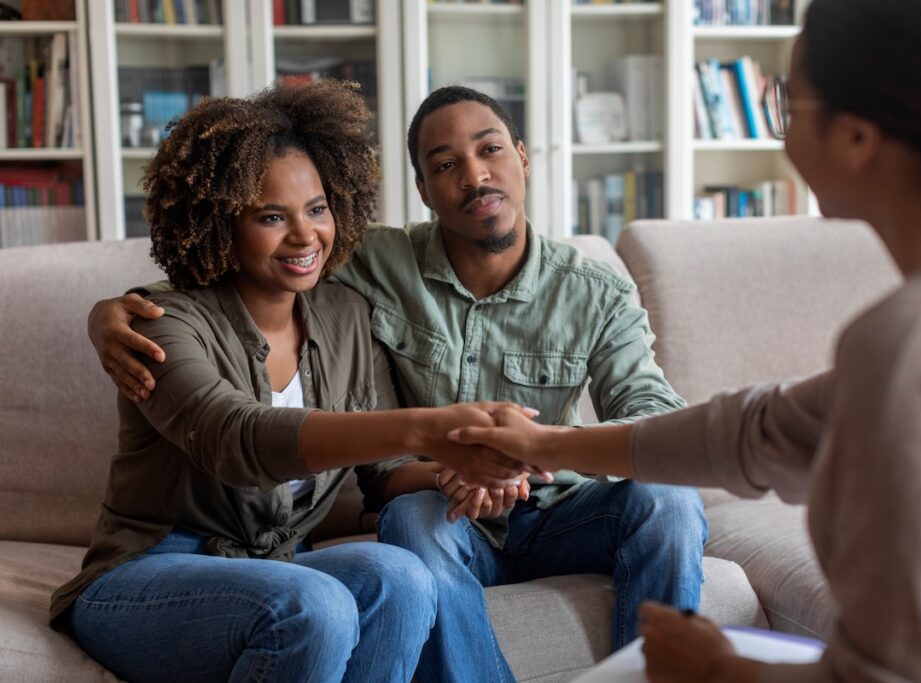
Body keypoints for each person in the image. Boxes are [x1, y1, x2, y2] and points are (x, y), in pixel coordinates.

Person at [448, 0, 921, 681]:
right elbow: (753, 431)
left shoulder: (910, 348)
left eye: (787, 100)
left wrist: (725, 667)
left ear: (859, 137)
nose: (779, 129)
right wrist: (545, 445)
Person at [86, 86, 708, 682]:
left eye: (490, 150)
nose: (475, 176)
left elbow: (656, 421)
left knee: (665, 502)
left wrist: (519, 454)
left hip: (556, 512)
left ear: (521, 157)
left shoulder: (347, 311)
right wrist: (107, 312)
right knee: (400, 534)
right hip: (185, 552)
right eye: (446, 164)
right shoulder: (362, 269)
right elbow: (234, 419)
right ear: (423, 189)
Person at [51, 80, 535, 683]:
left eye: (317, 209)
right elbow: (236, 439)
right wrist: (437, 427)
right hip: (148, 573)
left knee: (402, 575)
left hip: (279, 565)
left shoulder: (347, 316)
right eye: (272, 217)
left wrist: (451, 470)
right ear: (220, 221)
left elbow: (384, 476)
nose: (305, 236)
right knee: (314, 604)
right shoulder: (162, 323)